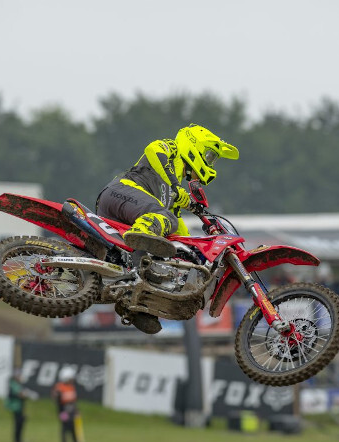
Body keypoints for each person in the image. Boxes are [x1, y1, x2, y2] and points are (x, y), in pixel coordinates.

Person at [96, 124, 238, 333]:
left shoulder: (172, 196)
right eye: (209, 155)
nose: (210, 162)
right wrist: (175, 187)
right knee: (165, 218)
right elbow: (154, 150)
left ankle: (134, 305)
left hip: (128, 215)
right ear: (195, 144)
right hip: (120, 192)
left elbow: (179, 233)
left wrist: (195, 255)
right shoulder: (171, 150)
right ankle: (142, 231)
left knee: (160, 255)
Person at [52, 366, 81, 442]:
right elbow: (58, 402)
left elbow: (73, 401)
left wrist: (76, 410)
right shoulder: (59, 388)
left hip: (71, 411)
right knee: (65, 429)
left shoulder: (71, 387)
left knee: (74, 429)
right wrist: (61, 413)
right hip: (63, 411)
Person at [5, 369, 29, 442]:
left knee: (21, 422)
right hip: (16, 407)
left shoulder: (18, 384)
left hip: (20, 406)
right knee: (18, 423)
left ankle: (19, 440)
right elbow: (11, 395)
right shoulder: (13, 384)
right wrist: (20, 395)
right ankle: (17, 441)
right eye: (19, 376)